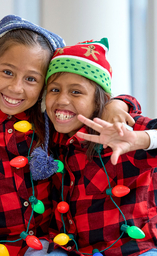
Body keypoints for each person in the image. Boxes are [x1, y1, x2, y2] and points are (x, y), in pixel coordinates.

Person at [0, 15, 142, 256]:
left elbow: (90, 103)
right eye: (7, 72)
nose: (16, 88)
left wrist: (118, 104)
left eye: (31, 79)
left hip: (41, 246)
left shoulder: (51, 125)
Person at [44, 38, 157, 256]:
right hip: (72, 250)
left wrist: (140, 139)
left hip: (135, 251)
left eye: (76, 92)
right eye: (54, 89)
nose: (62, 100)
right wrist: (122, 100)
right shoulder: (51, 134)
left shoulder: (122, 127)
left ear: (99, 101)